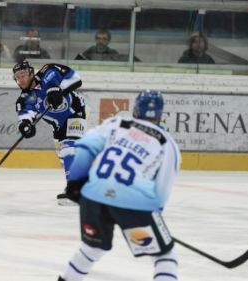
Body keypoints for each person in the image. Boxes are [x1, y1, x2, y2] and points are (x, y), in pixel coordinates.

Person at [57, 90, 181, 281]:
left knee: (92, 248)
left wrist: (74, 182)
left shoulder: (117, 123)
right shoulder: (168, 144)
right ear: (160, 113)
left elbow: (85, 146)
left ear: (136, 109)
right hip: (134, 205)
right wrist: (153, 215)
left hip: (94, 196)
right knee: (164, 256)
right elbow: (162, 190)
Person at [13, 60, 86, 205]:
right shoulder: (24, 100)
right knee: (64, 158)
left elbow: (76, 79)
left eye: (23, 75)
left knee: (68, 148)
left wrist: (59, 90)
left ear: (31, 73)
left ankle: (75, 192)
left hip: (75, 111)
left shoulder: (49, 72)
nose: (21, 79)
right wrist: (26, 126)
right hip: (58, 126)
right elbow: (27, 118)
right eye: (17, 77)